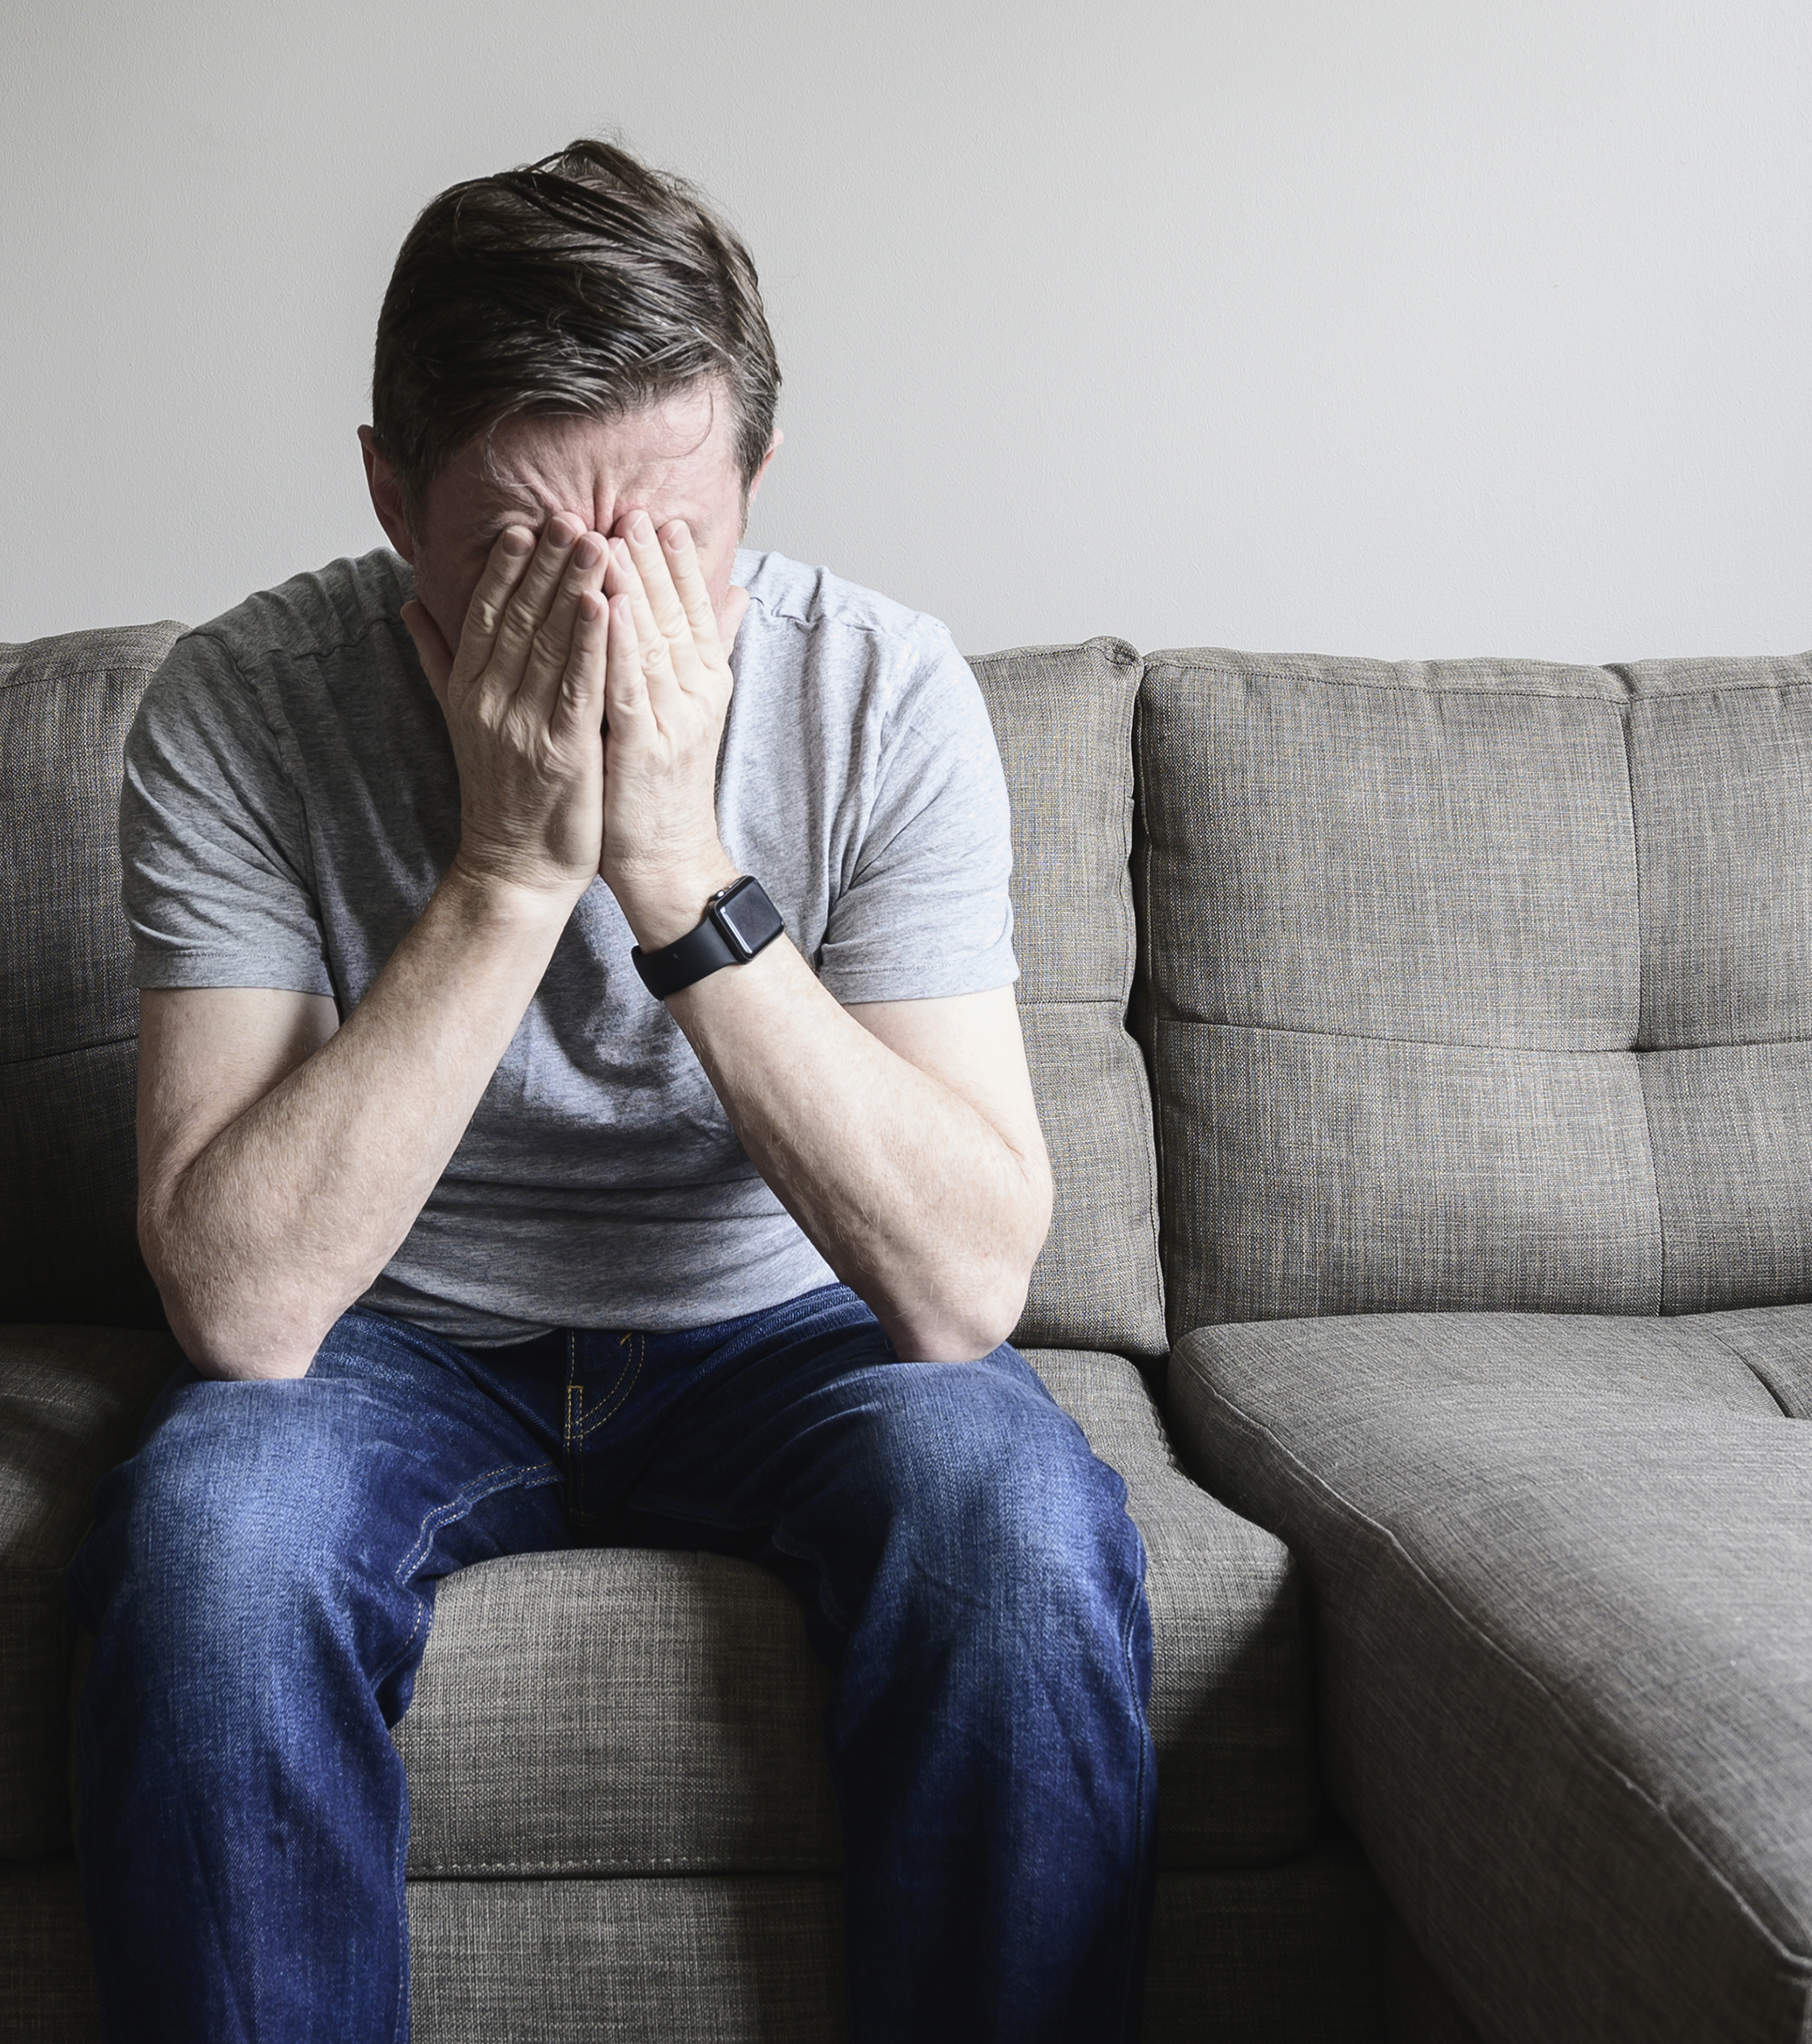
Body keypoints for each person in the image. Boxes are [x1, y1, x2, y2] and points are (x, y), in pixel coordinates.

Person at [66, 140, 1154, 2043]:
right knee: (209, 1550)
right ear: (390, 492)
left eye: (667, 543)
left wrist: (674, 866)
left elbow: (965, 1286)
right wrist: (504, 876)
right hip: (392, 1338)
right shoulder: (240, 705)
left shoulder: (882, 690)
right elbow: (241, 1305)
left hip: (783, 1322)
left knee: (1020, 1523)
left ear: (754, 479)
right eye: (514, 549)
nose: (597, 608)